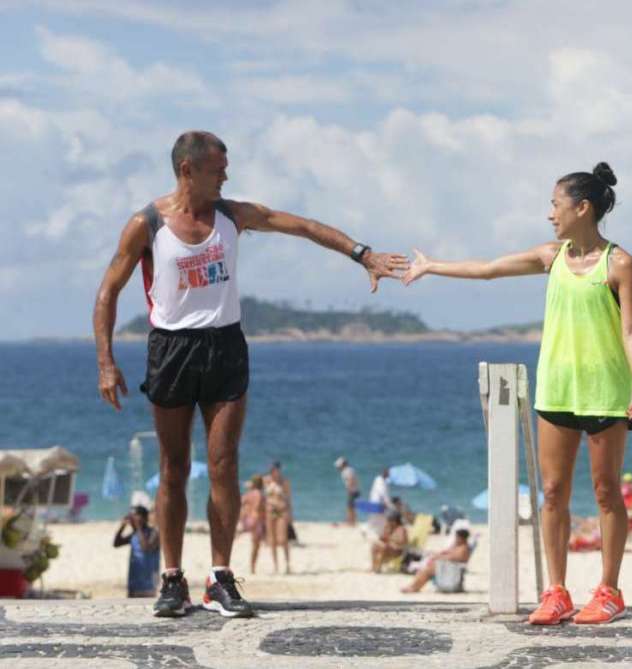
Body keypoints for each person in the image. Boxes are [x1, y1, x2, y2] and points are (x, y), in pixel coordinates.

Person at [92, 130, 408, 618]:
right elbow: (108, 292)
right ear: (187, 170)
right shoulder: (147, 224)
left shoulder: (231, 215)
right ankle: (172, 578)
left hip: (226, 346)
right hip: (171, 349)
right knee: (173, 467)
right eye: (218, 167)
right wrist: (106, 363)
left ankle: (220, 577)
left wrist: (361, 254)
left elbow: (299, 225)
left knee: (224, 464)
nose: (226, 175)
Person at [402, 162, 632, 625]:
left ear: (582, 207)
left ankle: (609, 590)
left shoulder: (620, 264)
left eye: (555, 205)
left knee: (606, 491)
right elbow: (490, 269)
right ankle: (556, 592)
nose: (550, 214)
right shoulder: (550, 257)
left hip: (605, 392)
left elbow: (631, 329)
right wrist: (433, 266)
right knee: (552, 492)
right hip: (555, 389)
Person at [402, 528, 473, 593]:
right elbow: (445, 552)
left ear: (462, 538)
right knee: (425, 569)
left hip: (452, 572)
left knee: (427, 570)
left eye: (457, 537)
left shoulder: (464, 549)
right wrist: (436, 555)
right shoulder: (457, 546)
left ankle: (414, 587)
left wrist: (438, 557)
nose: (456, 539)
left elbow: (452, 558)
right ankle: (412, 586)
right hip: (448, 568)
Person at [113, 505, 160, 598]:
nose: (133, 519)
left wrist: (138, 527)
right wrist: (122, 526)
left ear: (144, 518)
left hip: (148, 584)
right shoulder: (134, 535)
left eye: (135, 516)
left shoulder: (154, 533)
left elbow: (146, 548)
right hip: (134, 583)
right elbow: (116, 543)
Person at [265, 462, 293, 575]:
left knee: (283, 539)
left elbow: (289, 498)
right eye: (271, 470)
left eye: (275, 470)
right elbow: (263, 495)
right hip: (270, 511)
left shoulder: (284, 482)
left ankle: (287, 564)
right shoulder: (266, 480)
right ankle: (275, 566)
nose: (273, 472)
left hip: (282, 511)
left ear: (279, 470)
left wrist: (291, 514)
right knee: (272, 540)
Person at [238, 475, 266, 574]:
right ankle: (252, 567)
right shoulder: (260, 494)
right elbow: (259, 507)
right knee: (255, 546)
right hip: (257, 520)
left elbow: (240, 502)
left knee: (242, 536)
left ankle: (237, 534)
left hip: (247, 519)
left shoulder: (248, 494)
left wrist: (245, 512)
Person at [335, 457, 360, 526]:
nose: (338, 468)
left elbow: (350, 480)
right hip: (355, 490)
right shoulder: (349, 470)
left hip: (352, 490)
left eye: (339, 466)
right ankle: (352, 521)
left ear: (342, 465)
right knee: (352, 507)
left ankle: (351, 522)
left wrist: (349, 489)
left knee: (350, 507)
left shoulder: (347, 471)